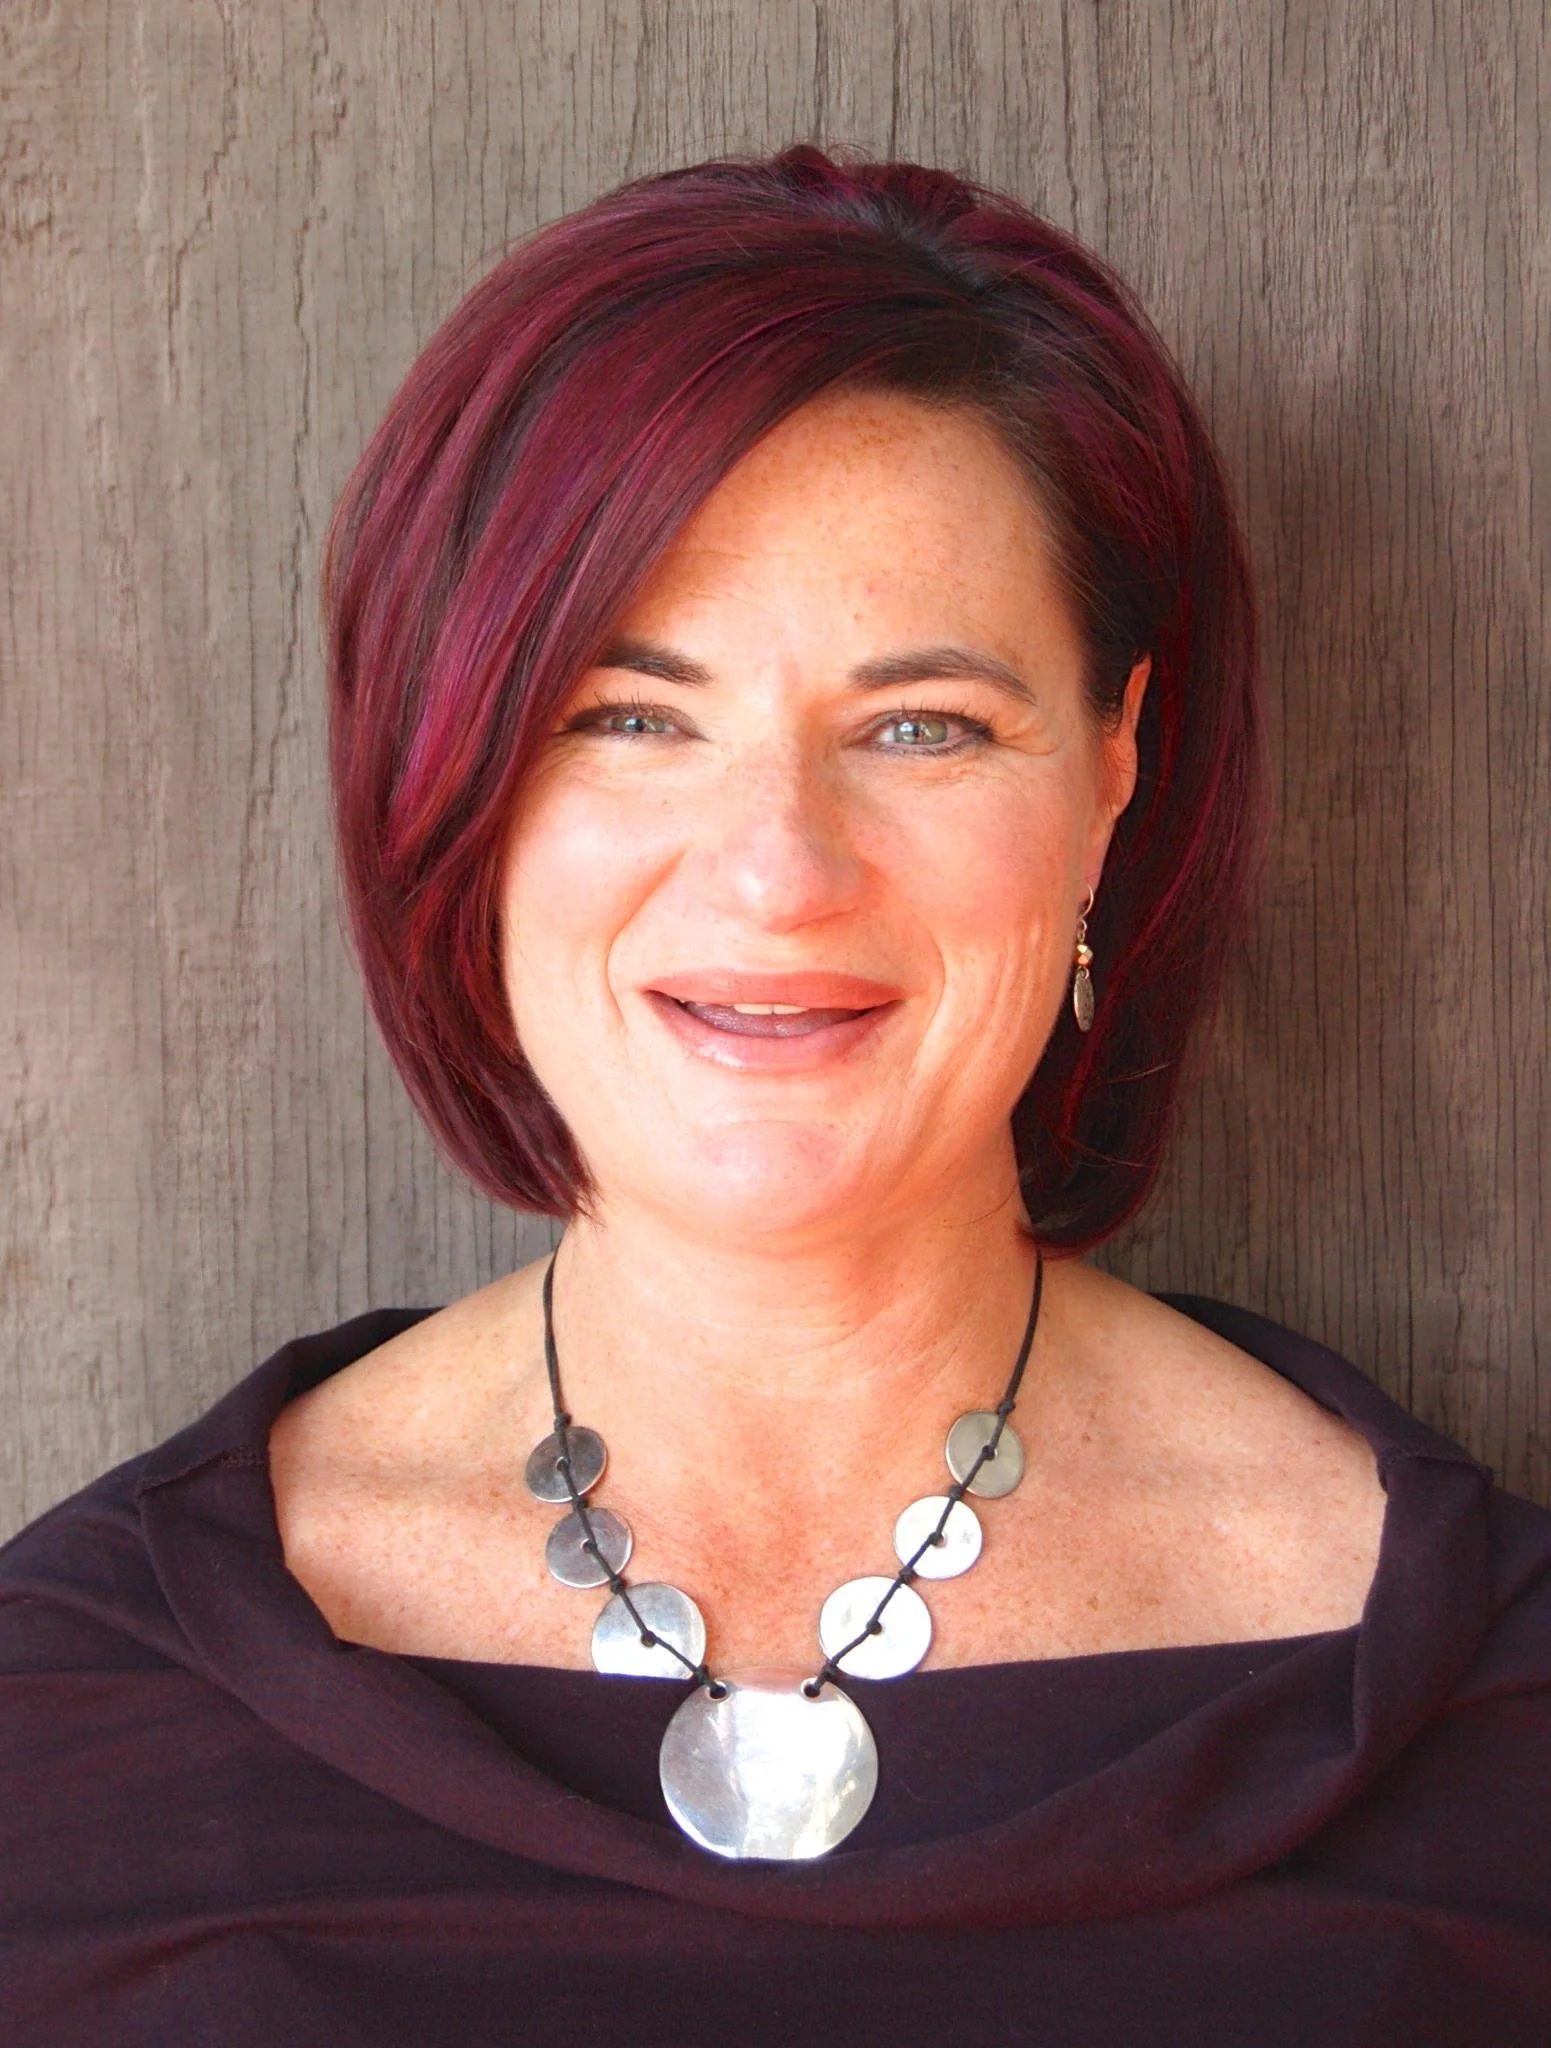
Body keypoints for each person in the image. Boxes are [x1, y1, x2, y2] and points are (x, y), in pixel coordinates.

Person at [2, 143, 1548, 2046]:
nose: (774, 871)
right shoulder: (60, 1728)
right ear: (454, 782)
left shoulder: (1492, 1719)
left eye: (921, 726)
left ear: (1115, 771)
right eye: (629, 716)